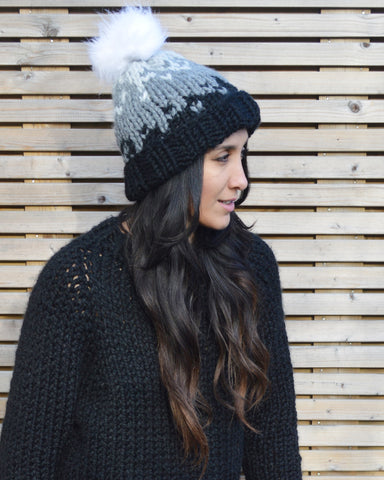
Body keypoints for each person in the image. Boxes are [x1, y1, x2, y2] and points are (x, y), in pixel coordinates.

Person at [0, 6, 302, 480]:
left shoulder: (250, 266)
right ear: (170, 169)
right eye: (222, 157)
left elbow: (275, 448)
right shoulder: (78, 282)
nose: (241, 178)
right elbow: (26, 461)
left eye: (243, 154)